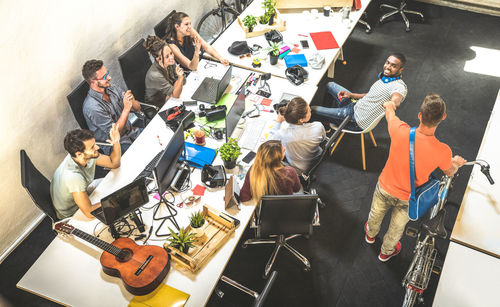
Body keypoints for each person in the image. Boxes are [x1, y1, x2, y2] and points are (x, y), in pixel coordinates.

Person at [364, 93, 466, 262]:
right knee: (397, 227)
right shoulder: (443, 150)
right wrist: (456, 162)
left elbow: (390, 115)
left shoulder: (400, 130)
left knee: (375, 214)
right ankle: (386, 251)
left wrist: (389, 105)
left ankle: (370, 234)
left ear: (420, 115)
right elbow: (450, 172)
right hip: (409, 197)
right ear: (443, 118)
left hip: (385, 187)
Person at [311, 53, 408, 131]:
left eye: (393, 66)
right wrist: (351, 95)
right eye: (387, 63)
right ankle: (326, 122)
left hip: (354, 120)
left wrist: (392, 103)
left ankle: (325, 119)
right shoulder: (386, 79)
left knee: (313, 110)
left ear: (401, 70)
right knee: (330, 85)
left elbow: (396, 99)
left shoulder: (398, 86)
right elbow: (370, 95)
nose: (388, 67)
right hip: (355, 105)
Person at [51, 125, 122, 219]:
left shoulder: (83, 156)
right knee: (117, 206)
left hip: (83, 191)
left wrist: (116, 142)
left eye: (94, 144)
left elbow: (114, 163)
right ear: (79, 154)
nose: (97, 147)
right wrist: (117, 199)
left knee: (117, 184)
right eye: (92, 147)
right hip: (73, 213)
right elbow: (90, 212)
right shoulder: (73, 177)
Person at [82, 59, 142, 154]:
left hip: (131, 132)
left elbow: (138, 108)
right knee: (141, 155)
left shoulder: (112, 88)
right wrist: (126, 108)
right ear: (93, 82)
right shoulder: (92, 107)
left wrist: (132, 100)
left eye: (108, 73)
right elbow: (115, 133)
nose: (109, 77)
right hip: (116, 145)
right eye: (105, 76)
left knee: (156, 138)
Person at [269, 97, 325, 173]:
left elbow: (268, 144)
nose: (310, 110)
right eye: (309, 110)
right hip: (317, 158)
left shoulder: (282, 134)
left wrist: (278, 121)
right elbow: (323, 139)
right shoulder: (318, 126)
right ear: (301, 119)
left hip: (299, 168)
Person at [164, 11, 229, 72]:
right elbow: (191, 67)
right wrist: (197, 50)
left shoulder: (189, 31)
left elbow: (206, 47)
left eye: (190, 24)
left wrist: (221, 59)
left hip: (199, 63)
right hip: (190, 72)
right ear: (177, 27)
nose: (189, 27)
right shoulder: (172, 46)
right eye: (186, 24)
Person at [144, 35, 185, 108]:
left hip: (169, 99)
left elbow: (184, 81)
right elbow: (176, 95)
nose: (171, 57)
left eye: (171, 53)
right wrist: (180, 78)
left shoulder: (168, 63)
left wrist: (178, 82)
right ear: (158, 59)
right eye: (167, 56)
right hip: (157, 108)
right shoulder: (155, 75)